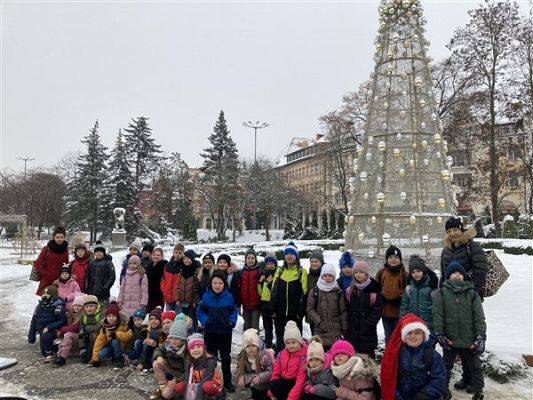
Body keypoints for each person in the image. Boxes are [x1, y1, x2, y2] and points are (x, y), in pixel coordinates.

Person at [440, 217, 488, 394]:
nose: (452, 234)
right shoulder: (446, 250)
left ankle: (472, 380)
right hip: (450, 301)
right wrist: (441, 294)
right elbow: (443, 275)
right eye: (449, 231)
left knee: (469, 340)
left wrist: (471, 292)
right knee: (456, 338)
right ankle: (466, 377)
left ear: (461, 229)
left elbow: (481, 270)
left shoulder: (471, 246)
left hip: (469, 299)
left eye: (455, 230)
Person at [433, 261, 487, 400]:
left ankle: (478, 391)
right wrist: (440, 333)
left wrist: (480, 336)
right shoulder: (442, 293)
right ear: (448, 276)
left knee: (475, 367)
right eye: (453, 273)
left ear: (464, 276)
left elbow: (479, 317)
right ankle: (444, 390)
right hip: (450, 339)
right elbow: (438, 315)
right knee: (445, 367)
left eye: (459, 273)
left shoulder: (472, 293)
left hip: (469, 340)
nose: (457, 275)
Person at [381, 314, 446, 400]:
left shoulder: (432, 355)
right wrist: (398, 397)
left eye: (417, 333)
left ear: (423, 335)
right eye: (409, 333)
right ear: (404, 336)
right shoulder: (397, 354)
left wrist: (422, 396)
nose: (413, 336)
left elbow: (439, 380)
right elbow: (391, 379)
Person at [198, 270, 238, 392]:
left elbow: (234, 311)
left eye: (220, 283)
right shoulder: (206, 297)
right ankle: (211, 380)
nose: (217, 285)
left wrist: (232, 320)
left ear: (224, 284)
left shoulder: (229, 297)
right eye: (215, 283)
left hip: (225, 332)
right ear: (211, 284)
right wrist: (205, 321)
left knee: (226, 358)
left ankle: (227, 382)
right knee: (210, 358)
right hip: (210, 332)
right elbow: (200, 311)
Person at [270, 242, 308, 350]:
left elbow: (304, 294)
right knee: (281, 341)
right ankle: (281, 363)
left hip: (295, 315)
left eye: (292, 253)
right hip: (280, 314)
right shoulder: (280, 271)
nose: (289, 256)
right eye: (287, 254)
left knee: (295, 342)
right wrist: (273, 309)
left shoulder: (301, 272)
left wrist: (300, 313)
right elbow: (274, 291)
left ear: (296, 256)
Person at [306, 263, 347, 350]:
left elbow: (343, 311)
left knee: (335, 357)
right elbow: (310, 309)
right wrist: (319, 321)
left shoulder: (338, 292)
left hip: (335, 331)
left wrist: (344, 328)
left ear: (334, 276)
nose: (327, 278)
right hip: (320, 330)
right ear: (321, 276)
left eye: (330, 275)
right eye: (325, 275)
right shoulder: (315, 291)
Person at [346, 261, 382, 358]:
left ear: (366, 274)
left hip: (367, 332)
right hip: (352, 331)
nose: (358, 275)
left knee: (367, 359)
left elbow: (377, 311)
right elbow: (347, 309)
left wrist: (368, 324)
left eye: (361, 272)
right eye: (356, 273)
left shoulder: (373, 290)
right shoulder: (350, 290)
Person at [150, 313, 190, 400]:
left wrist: (176, 380)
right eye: (171, 338)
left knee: (166, 396)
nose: (173, 341)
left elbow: (188, 370)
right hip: (170, 368)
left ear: (182, 339)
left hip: (180, 374)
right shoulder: (168, 343)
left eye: (177, 338)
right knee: (156, 363)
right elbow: (158, 350)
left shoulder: (186, 350)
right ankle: (162, 385)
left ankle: (172, 390)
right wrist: (159, 356)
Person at [173, 333, 223, 400]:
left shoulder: (210, 361)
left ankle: (214, 397)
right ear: (189, 351)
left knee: (207, 386)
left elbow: (204, 380)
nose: (196, 350)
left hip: (212, 384)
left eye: (198, 347)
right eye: (192, 348)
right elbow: (187, 380)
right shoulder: (189, 362)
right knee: (179, 387)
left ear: (203, 348)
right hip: (197, 384)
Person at [268, 321, 308, 400]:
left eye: (294, 342)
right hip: (284, 382)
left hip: (296, 384)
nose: (291, 345)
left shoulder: (304, 356)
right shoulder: (281, 354)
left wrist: (291, 398)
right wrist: (271, 393)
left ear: (299, 342)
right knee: (273, 384)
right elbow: (275, 374)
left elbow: (300, 381)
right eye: (288, 343)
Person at [376, 245, 408, 344]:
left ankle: (399, 357)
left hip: (399, 312)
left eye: (396, 257)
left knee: (399, 336)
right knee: (388, 336)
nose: (393, 260)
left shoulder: (405, 274)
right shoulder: (381, 273)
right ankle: (389, 356)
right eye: (390, 257)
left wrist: (400, 299)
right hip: (385, 311)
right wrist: (381, 297)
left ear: (400, 259)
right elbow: (376, 289)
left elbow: (408, 291)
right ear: (386, 259)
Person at [28, 285, 67, 362]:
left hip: (53, 332)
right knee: (43, 352)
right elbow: (34, 321)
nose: (44, 296)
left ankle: (53, 353)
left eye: (47, 295)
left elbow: (62, 320)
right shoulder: (39, 307)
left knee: (47, 340)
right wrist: (31, 336)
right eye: (43, 294)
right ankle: (48, 351)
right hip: (42, 333)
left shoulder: (58, 306)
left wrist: (49, 327)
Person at [89, 301, 132, 369]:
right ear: (106, 317)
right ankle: (114, 356)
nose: (111, 318)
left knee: (115, 341)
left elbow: (129, 336)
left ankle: (119, 358)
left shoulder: (122, 325)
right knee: (101, 355)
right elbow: (99, 342)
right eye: (109, 316)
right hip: (110, 346)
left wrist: (117, 335)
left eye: (113, 316)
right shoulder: (104, 328)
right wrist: (95, 359)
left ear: (117, 317)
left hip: (121, 346)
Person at [399, 255, 439, 330]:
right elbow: (404, 309)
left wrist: (436, 327)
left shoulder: (432, 288)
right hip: (412, 325)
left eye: (418, 271)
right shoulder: (409, 289)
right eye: (413, 272)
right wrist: (403, 323)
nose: (416, 274)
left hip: (428, 326)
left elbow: (437, 310)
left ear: (423, 271)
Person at [236, 328, 275, 400]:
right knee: (251, 385)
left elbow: (272, 371)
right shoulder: (243, 357)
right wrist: (241, 377)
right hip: (253, 379)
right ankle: (252, 394)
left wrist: (260, 377)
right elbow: (239, 369)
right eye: (248, 346)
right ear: (244, 348)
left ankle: (265, 395)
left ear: (258, 345)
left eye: (253, 345)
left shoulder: (265, 355)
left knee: (262, 394)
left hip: (267, 381)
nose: (250, 348)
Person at [34, 226, 69, 296]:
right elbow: (38, 263)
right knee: (46, 300)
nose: (59, 239)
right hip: (46, 281)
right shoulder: (47, 249)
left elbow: (65, 266)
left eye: (62, 237)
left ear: (64, 238)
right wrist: (47, 275)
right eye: (57, 237)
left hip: (59, 282)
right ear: (54, 237)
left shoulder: (65, 250)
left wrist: (60, 279)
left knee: (58, 301)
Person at [54, 294, 85, 367]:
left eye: (79, 306)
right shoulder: (71, 315)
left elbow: (76, 328)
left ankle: (62, 358)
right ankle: (59, 355)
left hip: (80, 339)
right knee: (58, 341)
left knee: (69, 335)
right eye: (75, 305)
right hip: (72, 339)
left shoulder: (83, 316)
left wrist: (62, 330)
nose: (76, 308)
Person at [240, 248, 264, 331]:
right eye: (248, 258)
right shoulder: (241, 272)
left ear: (256, 259)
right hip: (245, 305)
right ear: (245, 260)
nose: (250, 260)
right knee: (246, 325)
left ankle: (255, 342)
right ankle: (246, 342)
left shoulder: (259, 272)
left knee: (254, 326)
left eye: (252, 258)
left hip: (256, 305)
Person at [176, 250, 201, 330]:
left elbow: (197, 287)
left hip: (192, 301)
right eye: (184, 259)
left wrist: (195, 300)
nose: (186, 260)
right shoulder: (182, 270)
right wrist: (177, 298)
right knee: (184, 319)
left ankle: (195, 333)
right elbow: (178, 285)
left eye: (188, 258)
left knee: (193, 319)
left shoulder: (196, 270)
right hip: (183, 300)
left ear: (192, 259)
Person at [139, 307, 168, 373]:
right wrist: (146, 340)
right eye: (151, 319)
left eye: (156, 319)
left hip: (160, 351)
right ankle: (146, 365)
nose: (153, 321)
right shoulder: (149, 328)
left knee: (148, 347)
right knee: (144, 344)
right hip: (151, 349)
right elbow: (148, 338)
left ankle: (147, 365)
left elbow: (164, 345)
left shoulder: (162, 330)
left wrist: (156, 344)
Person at [259, 252, 278, 349]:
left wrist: (271, 282)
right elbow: (260, 292)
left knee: (278, 328)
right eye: (268, 264)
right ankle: (268, 346)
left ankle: (278, 347)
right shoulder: (264, 275)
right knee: (267, 329)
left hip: (274, 305)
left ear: (275, 264)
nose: (270, 265)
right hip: (265, 305)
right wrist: (260, 282)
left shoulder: (277, 275)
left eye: (271, 263)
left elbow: (276, 291)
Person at [78, 294, 104, 364]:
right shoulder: (83, 316)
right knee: (83, 335)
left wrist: (86, 328)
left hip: (100, 336)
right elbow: (81, 331)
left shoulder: (101, 313)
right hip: (87, 337)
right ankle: (85, 352)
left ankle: (94, 356)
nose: (89, 309)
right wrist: (82, 346)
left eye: (91, 306)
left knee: (93, 335)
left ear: (96, 307)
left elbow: (99, 326)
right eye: (86, 307)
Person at [161, 244, 185, 312]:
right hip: (168, 297)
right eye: (176, 252)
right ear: (173, 252)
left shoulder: (184, 265)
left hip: (179, 298)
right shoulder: (168, 265)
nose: (177, 254)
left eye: (179, 253)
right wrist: (164, 290)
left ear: (183, 253)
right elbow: (163, 279)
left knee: (178, 319)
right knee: (168, 318)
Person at [306, 250, 325, 334]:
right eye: (312, 261)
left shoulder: (325, 275)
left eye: (316, 261)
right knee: (314, 334)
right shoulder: (308, 276)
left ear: (321, 262)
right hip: (311, 311)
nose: (314, 263)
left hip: (323, 312)